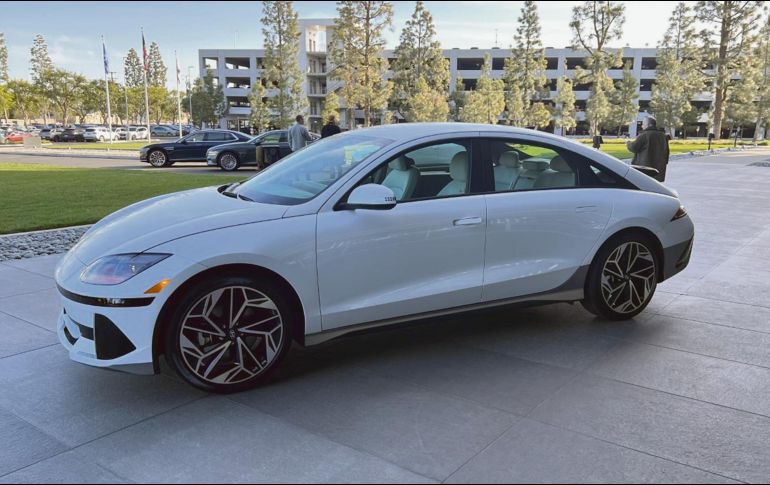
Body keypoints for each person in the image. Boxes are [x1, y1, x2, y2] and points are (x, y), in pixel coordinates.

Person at [627, 116, 670, 182]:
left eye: (643, 124)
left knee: (644, 186)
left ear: (649, 125)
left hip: (645, 168)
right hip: (659, 168)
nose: (642, 126)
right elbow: (667, 151)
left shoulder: (645, 135)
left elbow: (633, 148)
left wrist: (628, 143)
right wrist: (665, 163)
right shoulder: (663, 136)